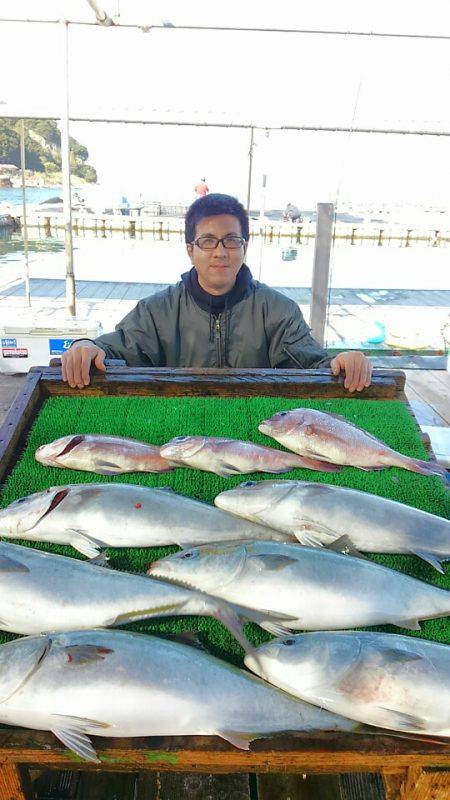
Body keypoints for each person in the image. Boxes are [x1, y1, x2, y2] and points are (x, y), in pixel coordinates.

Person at [61, 193, 372, 392]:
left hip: (259, 430)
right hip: (180, 431)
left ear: (245, 247)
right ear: (190, 250)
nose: (220, 252)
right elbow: (119, 348)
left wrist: (343, 362)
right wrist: (87, 346)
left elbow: (313, 363)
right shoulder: (156, 311)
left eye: (232, 241)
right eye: (208, 241)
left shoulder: (279, 311)